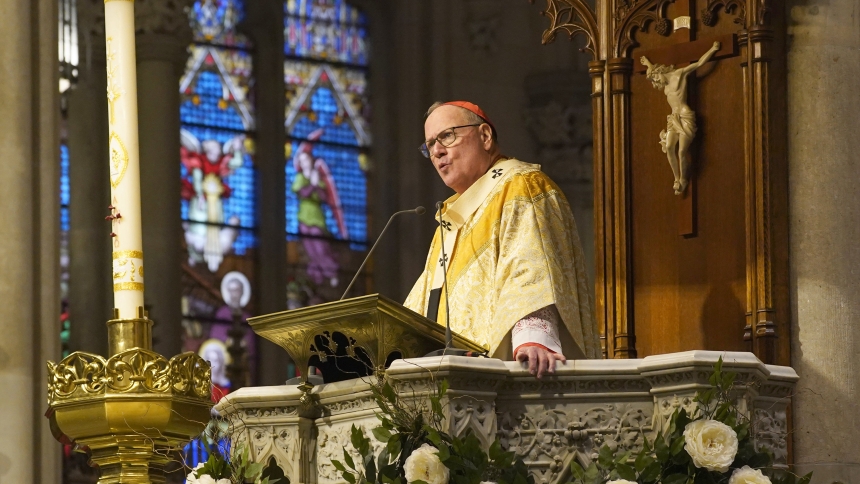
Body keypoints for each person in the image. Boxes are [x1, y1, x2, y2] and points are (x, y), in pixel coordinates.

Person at [404, 101, 600, 379]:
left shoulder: (520, 186)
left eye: (447, 136)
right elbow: (424, 301)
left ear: (485, 136)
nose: (437, 151)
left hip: (503, 375)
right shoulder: (451, 220)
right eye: (430, 144)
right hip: (449, 377)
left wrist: (533, 338)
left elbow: (530, 266)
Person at [640, 41, 720, 195]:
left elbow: (699, 64)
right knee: (669, 147)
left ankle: (683, 179)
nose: (657, 83)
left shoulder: (679, 74)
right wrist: (648, 64)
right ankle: (677, 178)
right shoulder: (662, 81)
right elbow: (653, 72)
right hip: (673, 118)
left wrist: (713, 49)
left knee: (682, 151)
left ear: (660, 72)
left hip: (685, 116)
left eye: (656, 79)